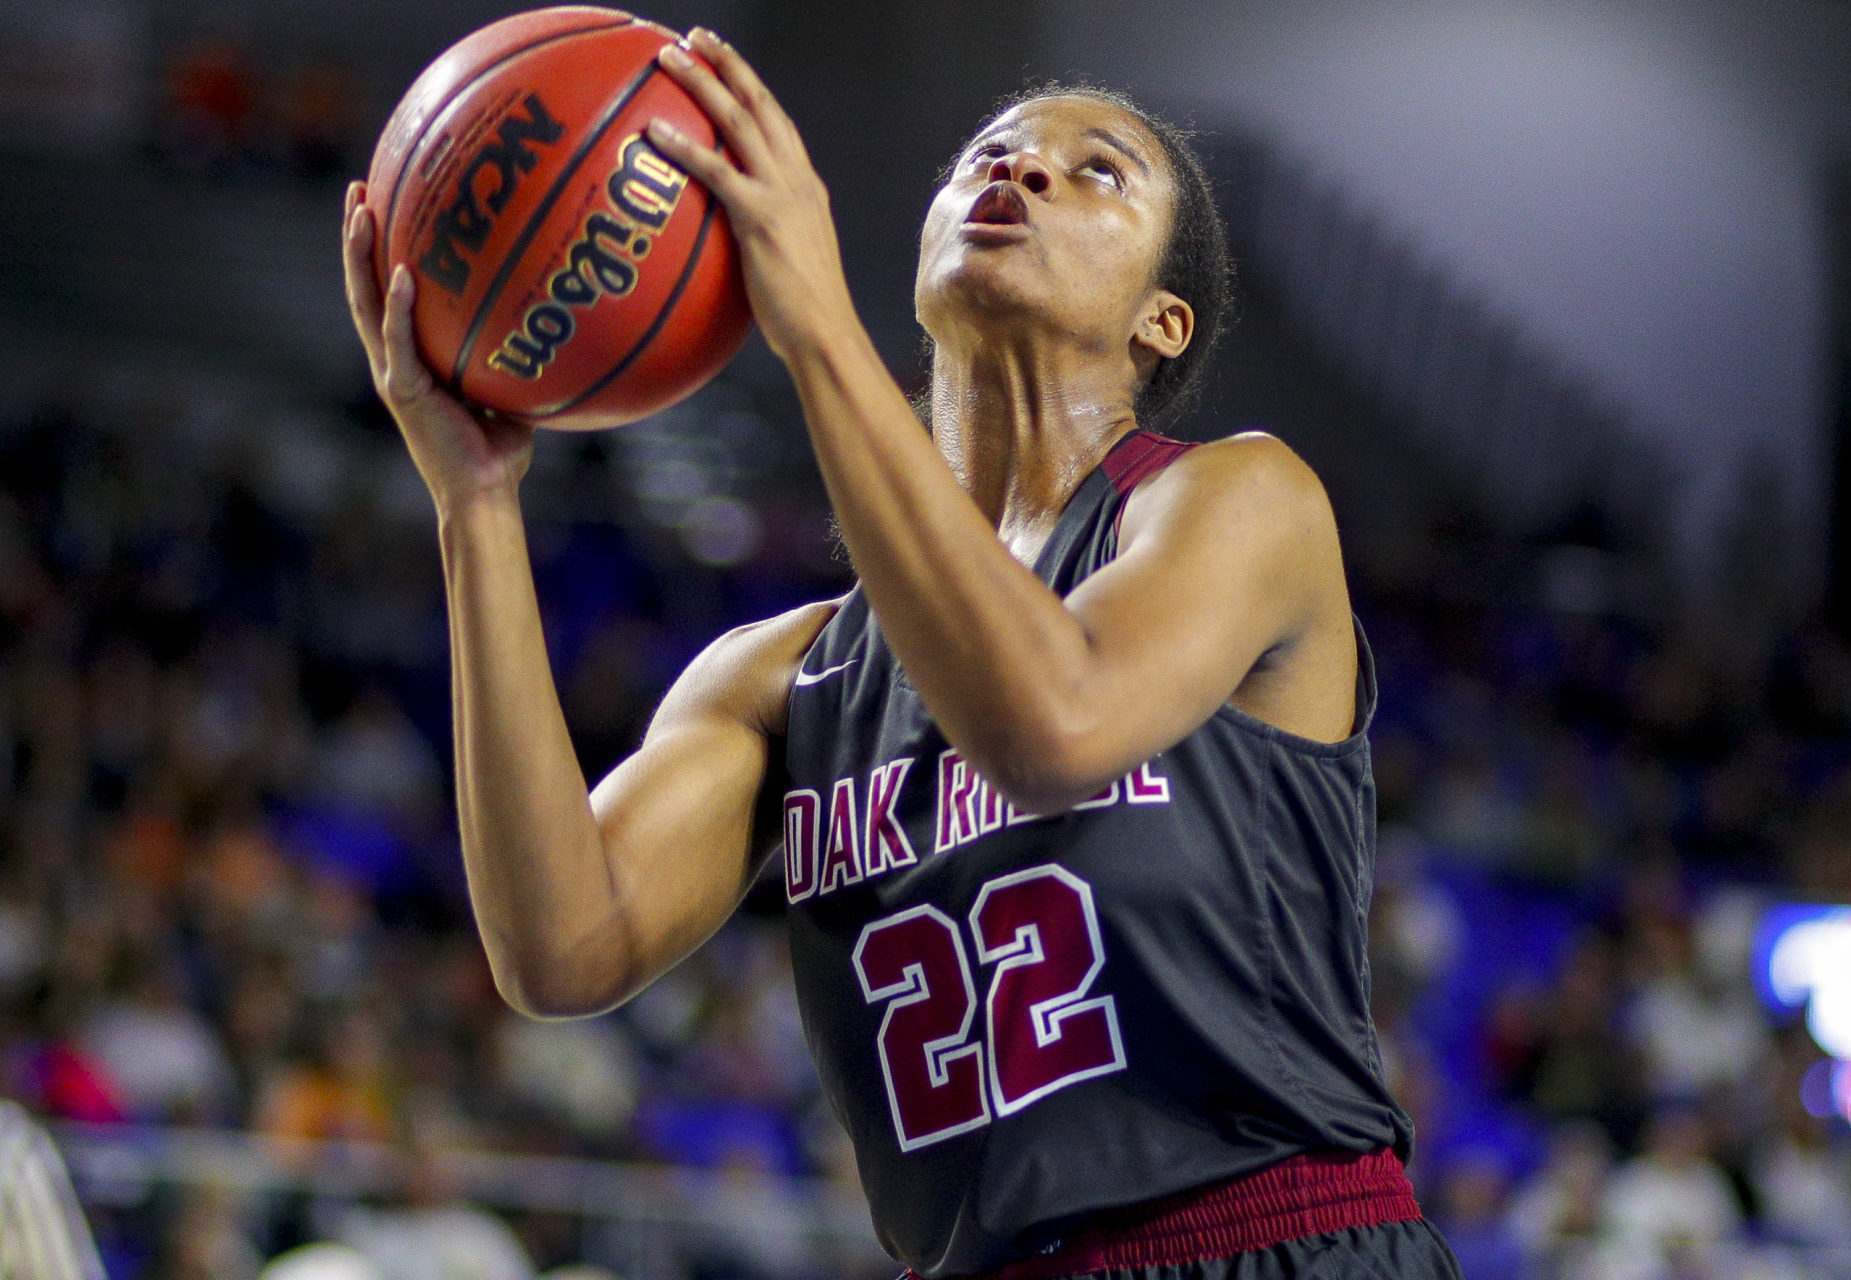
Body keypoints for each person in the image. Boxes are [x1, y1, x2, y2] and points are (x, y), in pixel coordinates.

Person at [341, 27, 1459, 1280]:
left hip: (1275, 1244)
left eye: (1097, 171)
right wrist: (476, 507)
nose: (1023, 173)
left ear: (1162, 319)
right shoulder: (783, 679)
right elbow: (562, 946)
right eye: (990, 153)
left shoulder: (1238, 500)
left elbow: (1054, 721)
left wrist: (816, 330)